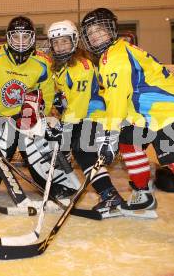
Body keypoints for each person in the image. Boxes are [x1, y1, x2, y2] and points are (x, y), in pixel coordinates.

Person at [79, 8, 174, 251]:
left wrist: (108, 137)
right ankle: (143, 195)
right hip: (144, 115)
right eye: (90, 32)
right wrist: (111, 133)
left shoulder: (113, 56)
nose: (95, 36)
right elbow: (115, 99)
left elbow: (117, 100)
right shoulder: (113, 55)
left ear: (111, 30)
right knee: (130, 144)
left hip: (164, 111)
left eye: (100, 30)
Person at [0, 16, 80, 202]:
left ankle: (59, 184)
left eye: (25, 37)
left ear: (33, 38)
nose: (21, 42)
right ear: (8, 37)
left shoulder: (43, 62)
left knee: (37, 143)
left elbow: (45, 98)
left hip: (26, 118)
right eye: (16, 37)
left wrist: (38, 118)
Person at [46, 20, 123, 218]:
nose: (60, 46)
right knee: (82, 152)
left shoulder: (82, 66)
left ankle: (109, 194)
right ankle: (106, 193)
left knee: (83, 149)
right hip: (81, 118)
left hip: (95, 116)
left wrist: (63, 127)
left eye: (64, 41)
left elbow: (78, 107)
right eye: (56, 43)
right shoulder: (60, 67)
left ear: (74, 41)